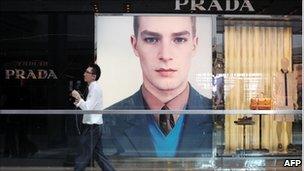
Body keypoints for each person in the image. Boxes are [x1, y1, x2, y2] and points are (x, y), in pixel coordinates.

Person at [106, 16, 213, 157]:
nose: (165, 55)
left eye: (179, 39)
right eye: (151, 39)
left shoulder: (217, 115)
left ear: (194, 45)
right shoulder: (107, 120)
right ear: (134, 45)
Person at [71, 64, 115, 171]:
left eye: (87, 72)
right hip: (94, 126)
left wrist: (78, 97)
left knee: (82, 153)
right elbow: (88, 105)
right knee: (99, 156)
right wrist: (79, 102)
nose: (84, 74)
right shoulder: (93, 87)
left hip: (92, 127)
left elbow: (88, 108)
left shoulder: (95, 88)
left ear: (94, 76)